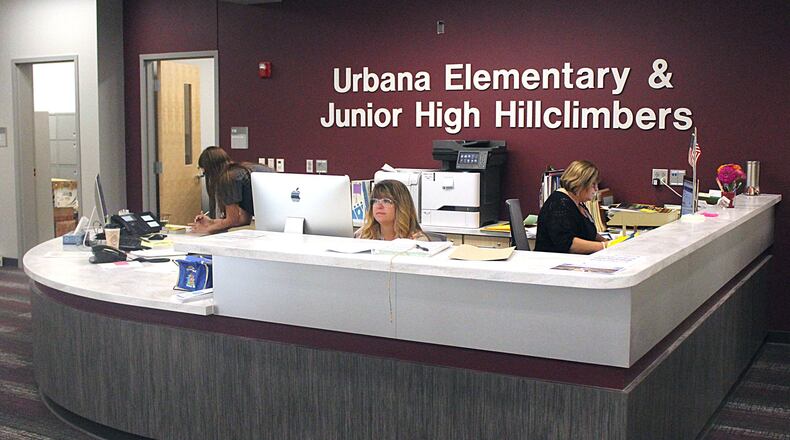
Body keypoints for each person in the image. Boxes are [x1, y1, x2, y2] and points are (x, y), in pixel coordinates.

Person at [190, 146, 272, 234]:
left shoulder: (228, 179)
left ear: (210, 170)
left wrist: (207, 229)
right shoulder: (242, 171)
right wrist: (211, 222)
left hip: (272, 218)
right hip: (277, 215)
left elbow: (232, 220)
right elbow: (244, 220)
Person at [535, 160, 609, 253]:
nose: (596, 189)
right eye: (593, 184)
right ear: (580, 184)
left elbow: (589, 232)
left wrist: (607, 242)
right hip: (554, 261)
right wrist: (603, 246)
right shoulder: (559, 204)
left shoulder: (578, 202)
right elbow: (567, 244)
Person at [355, 179, 429, 241]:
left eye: (386, 201)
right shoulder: (363, 235)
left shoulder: (418, 240)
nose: (379, 206)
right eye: (375, 201)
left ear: (401, 206)